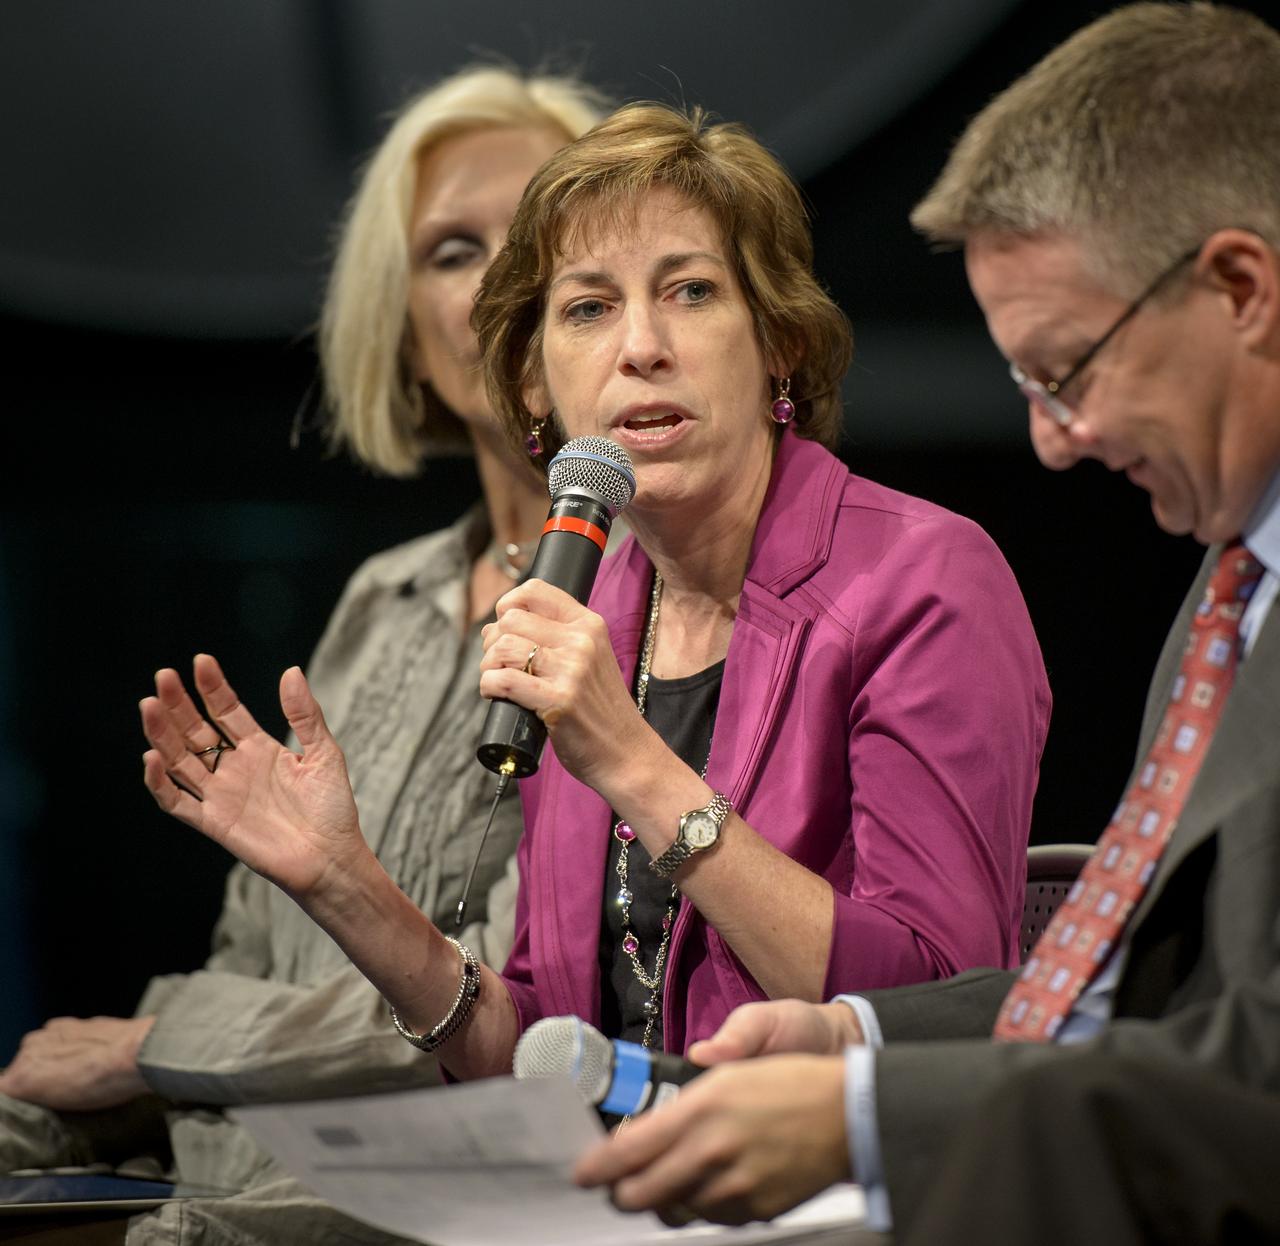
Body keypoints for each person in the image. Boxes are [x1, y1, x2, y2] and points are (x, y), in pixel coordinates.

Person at [138, 102, 1049, 1097]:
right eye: (587, 308)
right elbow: (535, 1041)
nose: (640, 346)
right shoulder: (589, 605)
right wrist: (344, 885)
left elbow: (942, 1000)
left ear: (778, 342)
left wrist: (628, 758)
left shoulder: (922, 579)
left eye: (691, 291)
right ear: (533, 384)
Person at [572, 5, 1280, 1243]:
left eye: (1065, 370)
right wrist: (857, 1037)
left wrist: (862, 1110)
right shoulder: (1228, 594)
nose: (1048, 441)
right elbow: (1144, 1000)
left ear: (1238, 286)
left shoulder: (954, 577)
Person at [0, 67, 604, 1244]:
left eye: (542, 230)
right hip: (220, 1147)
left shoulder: (659, 600)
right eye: (451, 249)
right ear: (404, 322)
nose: (504, 280)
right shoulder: (383, 596)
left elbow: (525, 1007)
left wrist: (157, 1044)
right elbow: (250, 946)